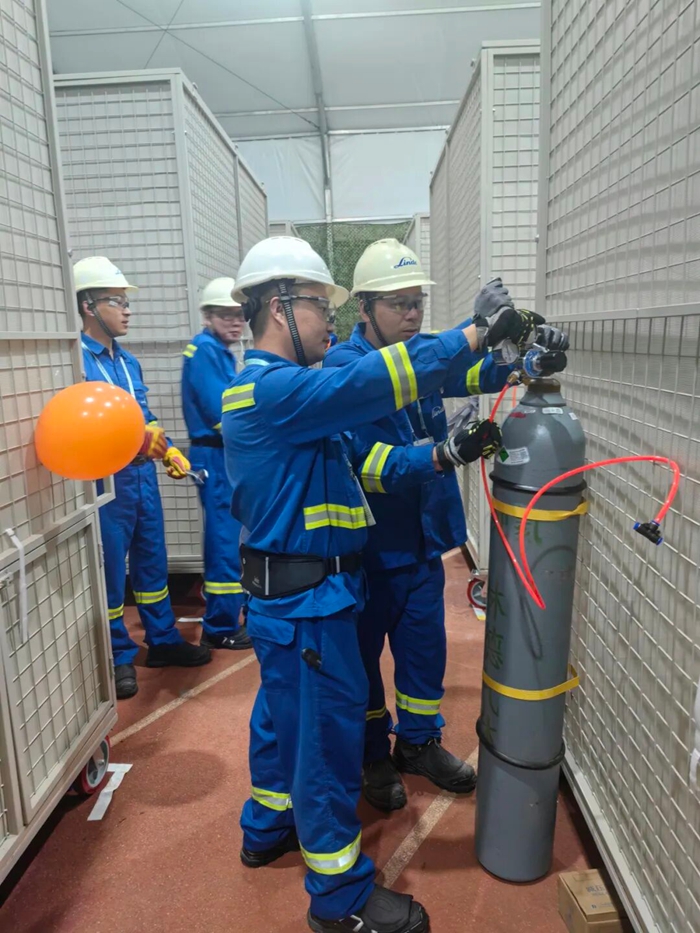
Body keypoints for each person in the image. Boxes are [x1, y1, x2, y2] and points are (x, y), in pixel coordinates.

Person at [221, 235, 545, 933]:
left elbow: (368, 463)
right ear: (280, 307)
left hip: (297, 598)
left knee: (283, 722)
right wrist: (473, 332)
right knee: (323, 747)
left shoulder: (288, 397)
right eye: (319, 304)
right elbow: (375, 381)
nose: (330, 320)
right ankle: (340, 902)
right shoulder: (276, 390)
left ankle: (267, 825)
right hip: (307, 603)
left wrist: (444, 451)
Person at [325, 239, 569, 812]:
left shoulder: (422, 356)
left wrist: (527, 362)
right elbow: (369, 466)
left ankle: (417, 744)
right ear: (364, 307)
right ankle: (372, 753)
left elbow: (474, 372)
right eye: (398, 304)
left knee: (423, 652)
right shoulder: (344, 368)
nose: (412, 314)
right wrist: (443, 454)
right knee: (362, 661)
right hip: (370, 551)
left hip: (422, 543)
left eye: (417, 303)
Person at [75, 256, 211, 700]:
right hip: (106, 482)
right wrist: (135, 441)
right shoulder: (77, 363)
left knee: (152, 562)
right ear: (88, 306)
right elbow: (84, 427)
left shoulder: (128, 362)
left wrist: (166, 448)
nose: (127, 310)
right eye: (117, 301)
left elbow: (143, 417)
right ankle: (118, 655)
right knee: (112, 571)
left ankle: (163, 640)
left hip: (141, 478)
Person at [181, 278, 252, 650]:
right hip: (216, 454)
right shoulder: (206, 351)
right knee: (225, 539)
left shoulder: (216, 349)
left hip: (222, 454)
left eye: (239, 315)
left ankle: (229, 614)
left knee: (230, 534)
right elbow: (221, 411)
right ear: (208, 316)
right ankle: (221, 624)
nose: (235, 322)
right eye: (226, 315)